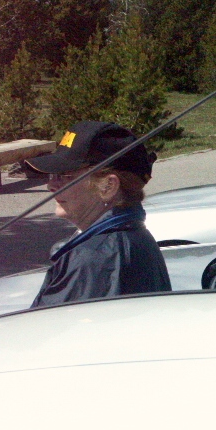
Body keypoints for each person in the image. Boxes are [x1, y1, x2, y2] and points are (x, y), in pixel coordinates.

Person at [25, 121, 172, 307]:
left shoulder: (91, 259)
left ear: (108, 186)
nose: (51, 186)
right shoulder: (130, 234)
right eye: (52, 175)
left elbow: (51, 324)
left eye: (64, 176)